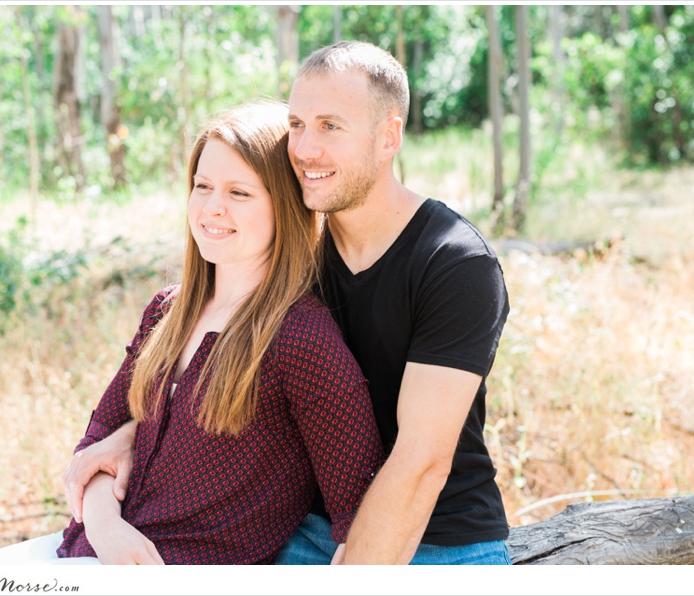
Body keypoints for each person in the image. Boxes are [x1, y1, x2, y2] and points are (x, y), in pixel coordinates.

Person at [65, 41, 511, 566]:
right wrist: (130, 436)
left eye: (330, 126)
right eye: (296, 125)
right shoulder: (294, 262)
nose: (304, 148)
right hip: (305, 529)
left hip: (435, 537)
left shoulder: (453, 263)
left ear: (389, 135)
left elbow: (421, 464)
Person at [0, 100, 383, 565]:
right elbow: (98, 437)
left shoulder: (300, 339)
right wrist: (105, 526)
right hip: (90, 550)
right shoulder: (168, 310)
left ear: (284, 205)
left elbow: (362, 511)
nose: (211, 208)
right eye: (202, 186)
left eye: (239, 193)